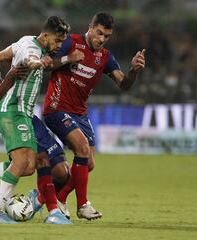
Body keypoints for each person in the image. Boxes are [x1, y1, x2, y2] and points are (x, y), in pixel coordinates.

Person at [0, 16, 71, 224]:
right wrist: (13, 73)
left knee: (32, 165)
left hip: (24, 113)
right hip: (12, 115)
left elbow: (2, 57)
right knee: (25, 164)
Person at [42, 12, 146, 220]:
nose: (101, 39)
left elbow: (123, 84)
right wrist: (68, 58)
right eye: (99, 33)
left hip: (80, 113)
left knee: (88, 163)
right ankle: (83, 205)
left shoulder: (106, 57)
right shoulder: (70, 42)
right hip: (56, 108)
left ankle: (60, 198)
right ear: (90, 27)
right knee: (81, 148)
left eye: (106, 36)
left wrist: (133, 71)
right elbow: (47, 64)